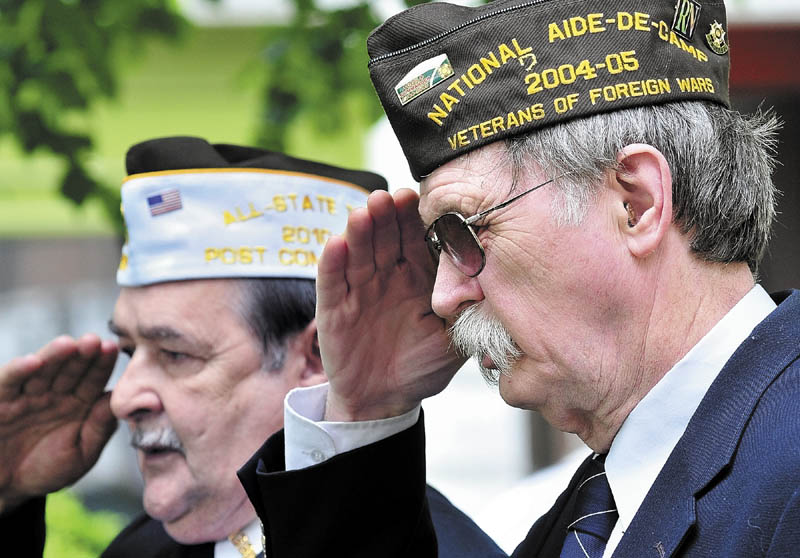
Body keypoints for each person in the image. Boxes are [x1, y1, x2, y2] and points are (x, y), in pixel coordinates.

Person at [237, 1, 800, 557]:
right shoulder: (592, 511)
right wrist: (364, 415)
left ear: (638, 204)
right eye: (439, 249)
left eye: (463, 233)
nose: (441, 298)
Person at [0, 137, 505, 558]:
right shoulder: (144, 548)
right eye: (131, 351)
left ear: (318, 357)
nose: (123, 398)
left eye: (175, 355)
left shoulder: (442, 550)